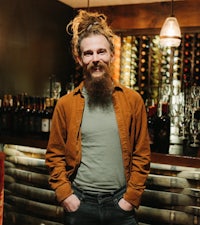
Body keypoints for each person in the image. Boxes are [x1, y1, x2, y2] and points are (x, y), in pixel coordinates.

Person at [45, 9, 151, 225]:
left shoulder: (132, 100)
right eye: (88, 53)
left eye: (101, 51)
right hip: (80, 205)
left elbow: (142, 155)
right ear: (79, 58)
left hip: (121, 206)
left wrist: (130, 199)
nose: (95, 59)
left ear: (112, 54)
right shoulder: (66, 104)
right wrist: (66, 195)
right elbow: (54, 155)